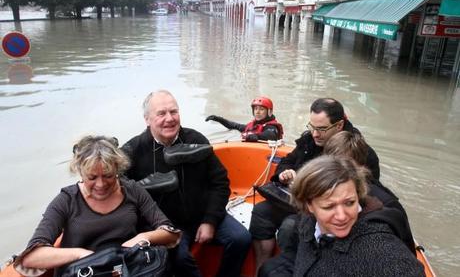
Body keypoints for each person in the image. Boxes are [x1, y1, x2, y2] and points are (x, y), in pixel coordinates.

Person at [122, 90, 251, 277]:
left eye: (174, 112)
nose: (169, 118)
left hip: (203, 213)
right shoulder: (133, 150)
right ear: (147, 119)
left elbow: (220, 182)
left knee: (241, 239)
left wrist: (210, 221)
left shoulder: (196, 140)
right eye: (161, 113)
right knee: (180, 258)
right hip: (166, 225)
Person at [15, 135, 180, 276]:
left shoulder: (132, 190)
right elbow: (31, 257)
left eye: (108, 176)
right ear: (80, 172)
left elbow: (170, 233)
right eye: (92, 177)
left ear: (117, 168)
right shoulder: (66, 200)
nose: (100, 184)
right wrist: (81, 255)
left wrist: (143, 238)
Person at [249, 98, 380, 272]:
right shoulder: (310, 140)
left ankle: (298, 268)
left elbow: (364, 194)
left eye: (322, 129)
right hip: (296, 200)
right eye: (312, 127)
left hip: (324, 211)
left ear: (339, 125)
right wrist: (284, 173)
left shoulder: (360, 153)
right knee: (261, 212)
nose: (315, 134)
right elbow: (287, 161)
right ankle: (259, 268)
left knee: (290, 226)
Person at [258, 155, 425, 277]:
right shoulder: (307, 222)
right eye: (329, 206)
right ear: (309, 205)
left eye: (349, 203)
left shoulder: (380, 248)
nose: (342, 216)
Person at [205, 96, 283, 142]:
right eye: (256, 109)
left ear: (269, 112)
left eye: (261, 109)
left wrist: (257, 136)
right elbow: (235, 126)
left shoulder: (271, 127)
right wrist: (219, 119)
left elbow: (270, 135)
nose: (257, 112)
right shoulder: (253, 125)